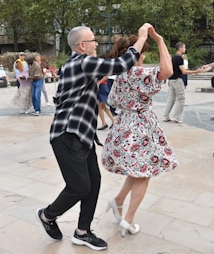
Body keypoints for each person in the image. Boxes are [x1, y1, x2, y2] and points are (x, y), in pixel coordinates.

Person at [36, 23, 152, 251]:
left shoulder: (79, 65)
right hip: (68, 134)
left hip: (83, 136)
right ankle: (47, 215)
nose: (97, 44)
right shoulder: (81, 62)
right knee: (79, 186)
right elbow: (120, 65)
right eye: (93, 40)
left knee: (94, 183)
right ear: (82, 45)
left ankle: (83, 232)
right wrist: (141, 38)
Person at [101, 29, 178, 237]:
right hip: (140, 127)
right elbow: (168, 71)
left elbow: (113, 100)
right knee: (144, 174)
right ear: (138, 54)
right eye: (143, 53)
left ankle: (118, 201)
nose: (144, 56)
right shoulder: (138, 73)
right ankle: (129, 219)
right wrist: (160, 40)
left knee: (138, 170)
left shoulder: (120, 75)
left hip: (124, 125)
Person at [163, 42, 202, 123]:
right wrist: (195, 71)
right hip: (177, 80)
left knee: (171, 99)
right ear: (180, 48)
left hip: (171, 80)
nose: (185, 49)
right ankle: (176, 117)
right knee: (181, 99)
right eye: (184, 47)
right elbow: (183, 71)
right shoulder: (179, 58)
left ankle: (166, 116)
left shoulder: (173, 57)